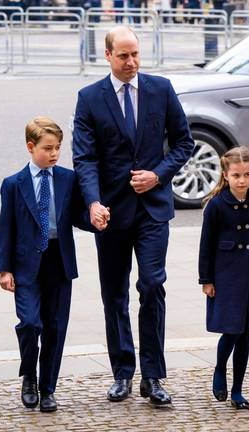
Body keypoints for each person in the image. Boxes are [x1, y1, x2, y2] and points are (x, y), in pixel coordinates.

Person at [72, 26, 193, 406]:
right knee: (114, 295)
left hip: (153, 209)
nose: (131, 62)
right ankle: (123, 373)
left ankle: (153, 376)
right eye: (123, 56)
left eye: (135, 54)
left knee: (153, 286)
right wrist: (92, 203)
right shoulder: (90, 98)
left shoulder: (161, 89)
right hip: (109, 212)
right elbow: (85, 158)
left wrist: (158, 173)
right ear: (107, 56)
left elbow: (184, 143)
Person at [0, 117, 93, 413]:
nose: (54, 154)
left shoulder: (67, 178)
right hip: (27, 265)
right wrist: (4, 268)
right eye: (47, 148)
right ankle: (29, 376)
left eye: (58, 148)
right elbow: (6, 228)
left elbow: (78, 215)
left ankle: (48, 388)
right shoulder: (14, 184)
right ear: (30, 147)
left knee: (55, 327)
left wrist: (96, 220)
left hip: (58, 261)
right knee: (30, 323)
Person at [198, 146, 249, 410]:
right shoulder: (216, 206)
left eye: (247, 174)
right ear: (225, 175)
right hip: (226, 277)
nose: (242, 180)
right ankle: (220, 369)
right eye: (236, 175)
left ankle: (238, 390)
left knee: (244, 335)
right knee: (231, 330)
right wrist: (206, 280)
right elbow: (205, 246)